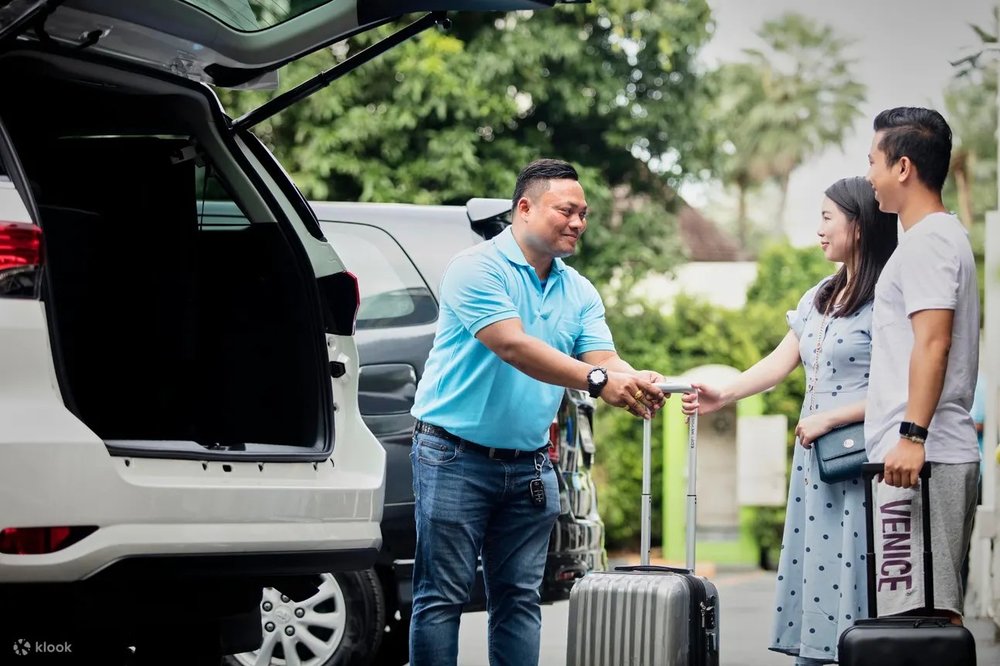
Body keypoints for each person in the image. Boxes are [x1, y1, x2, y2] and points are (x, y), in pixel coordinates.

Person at [407, 158, 667, 666]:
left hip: (528, 465)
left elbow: (603, 358)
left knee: (519, 599)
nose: (578, 223)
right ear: (523, 209)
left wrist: (633, 378)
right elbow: (513, 346)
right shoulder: (475, 267)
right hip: (452, 456)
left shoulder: (579, 289)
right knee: (442, 598)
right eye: (566, 211)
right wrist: (598, 382)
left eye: (584, 214)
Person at [681, 176, 897, 665]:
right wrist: (725, 393)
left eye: (827, 217)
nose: (819, 229)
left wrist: (829, 418)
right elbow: (780, 362)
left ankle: (858, 653)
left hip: (861, 465)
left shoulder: (888, 295)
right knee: (818, 567)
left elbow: (899, 388)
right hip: (816, 464)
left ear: (858, 225)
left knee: (857, 566)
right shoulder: (821, 294)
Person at [863, 107, 980, 625]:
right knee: (918, 618)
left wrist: (912, 436)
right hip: (918, 456)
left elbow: (933, 343)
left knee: (922, 620)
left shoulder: (930, 241)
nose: (870, 177)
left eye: (873, 162)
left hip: (922, 459)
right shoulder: (930, 238)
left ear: (903, 167)